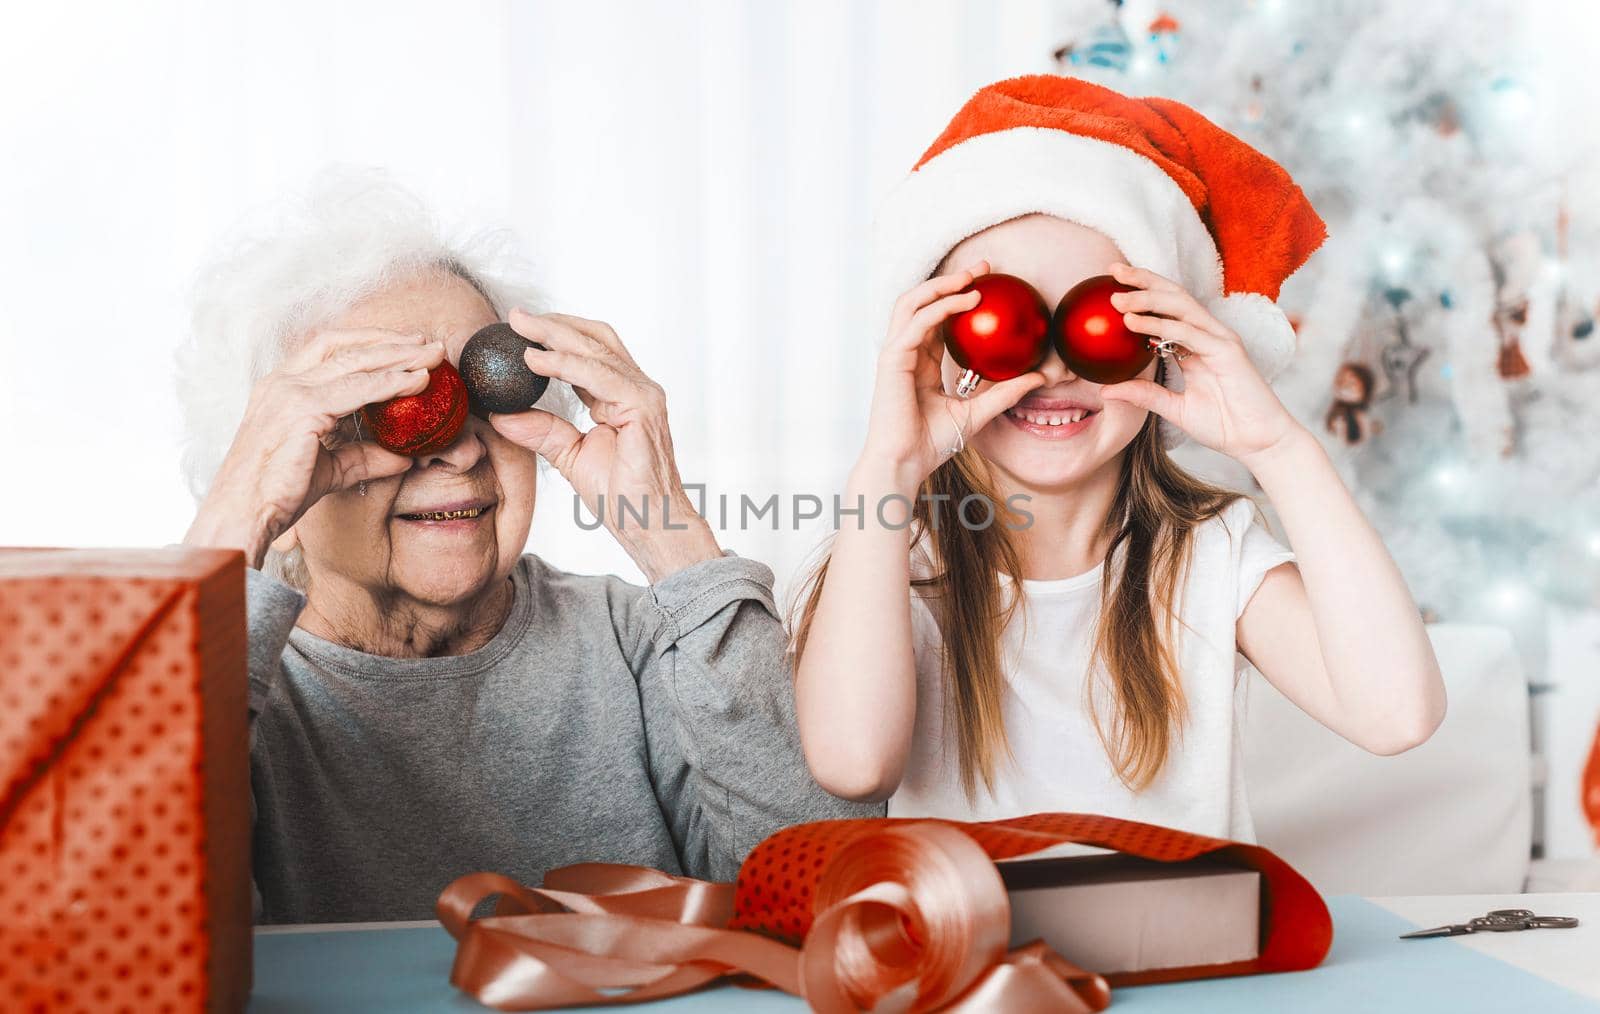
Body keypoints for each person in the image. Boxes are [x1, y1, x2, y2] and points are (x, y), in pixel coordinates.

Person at [178, 172, 877, 924]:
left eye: (482, 394)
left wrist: (670, 533)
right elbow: (136, 937)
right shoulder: (223, 685)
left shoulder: (642, 642)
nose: (458, 449)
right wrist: (233, 521)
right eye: (382, 404)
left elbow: (836, 902)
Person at [791, 76, 1446, 840]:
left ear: (1163, 349)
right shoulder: (897, 560)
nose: (1055, 369)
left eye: (1102, 321)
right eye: (1006, 321)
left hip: (1181, 955)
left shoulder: (1210, 558)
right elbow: (853, 764)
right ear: (937, 349)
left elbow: (1397, 715)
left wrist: (1278, 446)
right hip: (978, 955)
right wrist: (888, 470)